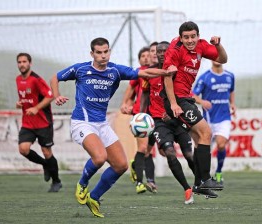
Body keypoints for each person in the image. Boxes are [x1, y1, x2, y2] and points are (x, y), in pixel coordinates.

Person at [50, 37, 175, 218]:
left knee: (121, 165)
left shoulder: (115, 71)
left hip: (101, 123)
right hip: (82, 122)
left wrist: (166, 72)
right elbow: (55, 77)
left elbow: (144, 73)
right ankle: (82, 184)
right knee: (100, 157)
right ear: (92, 54)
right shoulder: (81, 69)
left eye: (106, 51)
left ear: (109, 51)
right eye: (99, 53)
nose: (103, 56)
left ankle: (94, 197)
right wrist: (56, 96)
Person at [142, 41, 214, 204]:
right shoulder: (150, 73)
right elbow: (145, 94)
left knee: (189, 154)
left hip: (177, 118)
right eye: (157, 51)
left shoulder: (177, 71)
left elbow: (186, 94)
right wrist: (142, 114)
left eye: (164, 51)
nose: (160, 53)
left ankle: (200, 183)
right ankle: (186, 189)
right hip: (159, 121)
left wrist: (200, 102)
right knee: (169, 152)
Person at [162, 21, 227, 193]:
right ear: (181, 38)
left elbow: (222, 59)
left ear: (198, 36)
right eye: (186, 37)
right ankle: (205, 179)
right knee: (206, 132)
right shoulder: (174, 50)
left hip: (186, 99)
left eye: (193, 36)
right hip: (177, 100)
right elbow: (168, 77)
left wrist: (218, 45)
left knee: (199, 139)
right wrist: (174, 104)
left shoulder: (201, 45)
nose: (190, 40)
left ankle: (199, 184)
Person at [15, 52, 62, 192]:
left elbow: (50, 96)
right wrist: (20, 103)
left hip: (43, 122)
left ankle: (56, 181)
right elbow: (27, 98)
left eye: (24, 61)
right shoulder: (18, 79)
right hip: (28, 123)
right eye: (19, 62)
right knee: (23, 149)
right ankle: (45, 164)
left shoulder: (36, 79)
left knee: (47, 151)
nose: (22, 64)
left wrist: (36, 108)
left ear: (30, 63)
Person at [120, 43, 159, 194]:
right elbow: (130, 90)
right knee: (142, 148)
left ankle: (138, 167)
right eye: (142, 56)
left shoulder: (159, 71)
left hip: (155, 115)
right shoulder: (139, 72)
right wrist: (125, 104)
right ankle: (140, 183)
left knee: (150, 151)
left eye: (147, 55)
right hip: (140, 115)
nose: (146, 58)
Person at [192, 61, 236, 183]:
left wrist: (232, 104)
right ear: (211, 59)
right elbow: (193, 95)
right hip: (208, 119)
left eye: (219, 56)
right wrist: (202, 102)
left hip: (224, 117)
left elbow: (231, 91)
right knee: (204, 149)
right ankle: (203, 177)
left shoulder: (230, 76)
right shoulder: (205, 77)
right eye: (214, 56)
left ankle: (218, 172)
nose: (217, 58)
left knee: (221, 144)